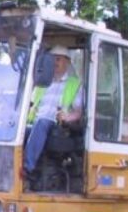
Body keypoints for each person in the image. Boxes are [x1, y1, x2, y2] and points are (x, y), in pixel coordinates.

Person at [21, 45, 83, 180]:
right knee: (20, 131)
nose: (54, 63)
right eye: (51, 59)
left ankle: (27, 167)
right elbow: (30, 104)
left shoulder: (74, 84)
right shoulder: (41, 83)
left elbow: (78, 112)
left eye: (58, 59)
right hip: (36, 122)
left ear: (67, 62)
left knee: (42, 123)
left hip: (57, 123)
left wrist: (68, 117)